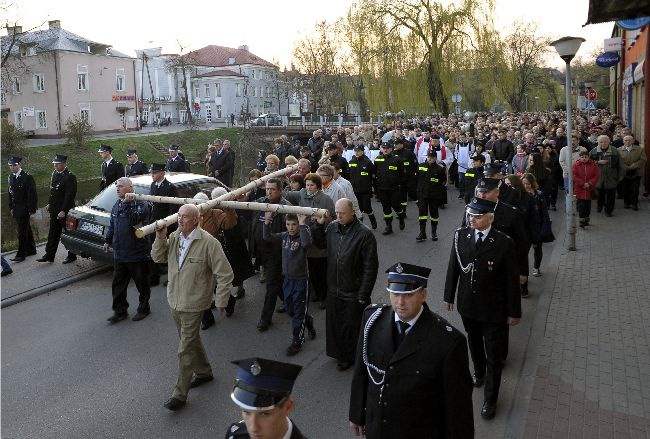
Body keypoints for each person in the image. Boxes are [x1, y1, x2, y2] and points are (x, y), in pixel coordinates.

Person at [349, 262, 474, 439]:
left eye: (408, 295)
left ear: (423, 294)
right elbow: (362, 370)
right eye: (395, 293)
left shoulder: (448, 342)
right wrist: (356, 414)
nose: (400, 302)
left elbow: (458, 410)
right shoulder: (372, 320)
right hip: (377, 429)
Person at [151, 204, 234, 411]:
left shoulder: (209, 243)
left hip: (195, 303)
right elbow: (158, 258)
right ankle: (205, 372)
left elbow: (225, 274)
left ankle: (179, 394)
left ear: (196, 220)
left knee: (185, 349)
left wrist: (222, 301)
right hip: (175, 300)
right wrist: (160, 238)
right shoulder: (175, 237)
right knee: (191, 340)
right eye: (179, 216)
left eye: (185, 217)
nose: (180, 220)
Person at [444, 197, 521, 420]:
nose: (472, 220)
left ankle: (490, 399)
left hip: (494, 310)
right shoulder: (461, 236)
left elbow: (511, 281)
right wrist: (449, 295)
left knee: (494, 356)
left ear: (490, 218)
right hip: (468, 305)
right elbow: (453, 267)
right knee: (473, 342)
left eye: (477, 216)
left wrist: (514, 311)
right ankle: (478, 371)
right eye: (470, 215)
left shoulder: (504, 243)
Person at [317, 198, 378, 371]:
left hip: (353, 290)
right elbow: (321, 244)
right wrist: (319, 226)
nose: (339, 216)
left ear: (352, 212)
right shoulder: (332, 228)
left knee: (351, 327)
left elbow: (370, 267)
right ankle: (338, 352)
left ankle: (350, 356)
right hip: (334, 287)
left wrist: (363, 293)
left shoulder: (365, 234)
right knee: (335, 324)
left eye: (342, 213)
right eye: (337, 213)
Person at [263, 213, 317, 355]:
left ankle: (297, 341)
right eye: (288, 224)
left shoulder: (303, 236)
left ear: (298, 225)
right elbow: (267, 237)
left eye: (294, 224)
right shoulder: (284, 236)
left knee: (298, 313)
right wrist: (267, 221)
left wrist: (303, 223)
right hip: (287, 279)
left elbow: (306, 244)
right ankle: (308, 320)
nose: (291, 228)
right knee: (290, 308)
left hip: (301, 281)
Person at [104, 178, 152, 323]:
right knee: (118, 285)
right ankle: (120, 311)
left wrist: (126, 204)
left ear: (130, 187)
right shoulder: (117, 205)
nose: (117, 189)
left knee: (141, 283)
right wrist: (107, 240)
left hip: (136, 253)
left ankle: (144, 308)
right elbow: (112, 224)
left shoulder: (141, 204)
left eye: (120, 186)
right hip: (120, 253)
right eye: (116, 187)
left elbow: (133, 220)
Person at [284, 173, 334, 311]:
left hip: (320, 240)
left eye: (311, 185)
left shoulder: (326, 200)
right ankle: (318, 293)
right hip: (306, 237)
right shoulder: (301, 195)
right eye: (306, 185)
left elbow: (332, 218)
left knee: (320, 271)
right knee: (311, 270)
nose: (308, 187)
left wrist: (321, 222)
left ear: (318, 186)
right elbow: (286, 196)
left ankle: (324, 296)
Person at [225, 357, 306, 439]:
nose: (253, 428)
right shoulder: (235, 436)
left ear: (287, 407)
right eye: (246, 411)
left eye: (264, 414)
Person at [251, 178, 291, 332]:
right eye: (267, 189)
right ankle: (289, 303)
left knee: (271, 284)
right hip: (261, 251)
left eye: (272, 189)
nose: (269, 192)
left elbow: (290, 231)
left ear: (280, 190)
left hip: (276, 252)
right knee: (277, 282)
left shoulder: (286, 207)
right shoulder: (260, 202)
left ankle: (265, 318)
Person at [37, 155, 78, 264]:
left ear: (64, 163)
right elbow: (53, 192)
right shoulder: (54, 173)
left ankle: (72, 255)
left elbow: (69, 196)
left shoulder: (70, 176)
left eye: (57, 163)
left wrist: (63, 211)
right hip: (54, 210)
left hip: (65, 211)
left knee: (68, 233)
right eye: (54, 163)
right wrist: (49, 203)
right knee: (53, 233)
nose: (55, 165)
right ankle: (49, 255)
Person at [148, 163, 179, 286]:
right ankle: (154, 276)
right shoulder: (153, 185)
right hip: (154, 223)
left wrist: (169, 224)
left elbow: (173, 208)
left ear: (162, 173)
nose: (152, 175)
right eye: (152, 172)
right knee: (154, 250)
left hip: (166, 225)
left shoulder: (170, 187)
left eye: (154, 173)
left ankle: (172, 277)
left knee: (170, 252)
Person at [7, 156, 37, 262]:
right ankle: (31, 249)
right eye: (10, 165)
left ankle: (21, 254)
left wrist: (31, 209)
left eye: (14, 165)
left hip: (24, 208)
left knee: (21, 232)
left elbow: (32, 194)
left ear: (19, 165)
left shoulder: (27, 177)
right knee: (26, 229)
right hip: (16, 208)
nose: (12, 167)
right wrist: (11, 207)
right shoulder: (11, 177)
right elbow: (10, 194)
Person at [522, 173, 553, 276]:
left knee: (537, 249)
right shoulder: (520, 195)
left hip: (536, 228)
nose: (526, 186)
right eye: (524, 183)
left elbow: (544, 213)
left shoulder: (539, 195)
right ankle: (523, 271)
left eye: (528, 184)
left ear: (532, 183)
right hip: (525, 229)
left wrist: (545, 228)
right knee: (523, 251)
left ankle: (536, 267)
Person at [589, 135, 625, 217]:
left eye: (605, 141)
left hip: (612, 178)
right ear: (598, 142)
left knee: (611, 196)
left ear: (609, 142)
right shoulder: (593, 151)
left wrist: (619, 177)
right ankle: (599, 205)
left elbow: (621, 165)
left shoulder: (615, 151)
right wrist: (598, 162)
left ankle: (608, 211)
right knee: (599, 195)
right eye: (601, 142)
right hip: (598, 179)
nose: (603, 143)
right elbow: (587, 163)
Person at [416, 150, 447, 242]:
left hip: (434, 195)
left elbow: (443, 181)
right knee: (422, 215)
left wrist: (439, 194)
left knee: (434, 215)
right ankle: (422, 233)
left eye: (432, 157)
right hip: (422, 194)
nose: (430, 158)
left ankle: (434, 233)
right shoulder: (420, 166)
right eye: (429, 157)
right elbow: (416, 178)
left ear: (435, 158)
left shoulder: (440, 169)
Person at [374, 142, 405, 235]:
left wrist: (399, 185)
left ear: (391, 149)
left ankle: (401, 218)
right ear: (381, 149)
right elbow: (375, 173)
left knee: (396, 206)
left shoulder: (397, 160)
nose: (385, 150)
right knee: (386, 208)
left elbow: (402, 174)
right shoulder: (378, 159)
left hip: (394, 188)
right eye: (383, 148)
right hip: (382, 188)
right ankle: (388, 226)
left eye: (387, 148)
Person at [348, 144, 377, 229]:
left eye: (359, 151)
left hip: (365, 189)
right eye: (355, 151)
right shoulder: (351, 162)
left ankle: (373, 220)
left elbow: (373, 175)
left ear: (362, 151)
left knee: (367, 207)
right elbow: (349, 174)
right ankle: (359, 225)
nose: (357, 153)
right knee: (358, 208)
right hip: (355, 189)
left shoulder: (367, 162)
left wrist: (374, 188)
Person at [572, 148, 601, 228]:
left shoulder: (593, 164)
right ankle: (581, 220)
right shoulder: (576, 165)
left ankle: (586, 218)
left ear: (588, 157)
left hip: (589, 188)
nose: (584, 158)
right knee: (581, 205)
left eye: (585, 157)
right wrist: (582, 183)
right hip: (579, 188)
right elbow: (574, 175)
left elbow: (597, 175)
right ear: (580, 157)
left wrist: (590, 183)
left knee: (588, 205)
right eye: (582, 157)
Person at [618, 135, 646, 210]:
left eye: (629, 140)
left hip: (636, 172)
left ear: (633, 141)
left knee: (635, 189)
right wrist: (625, 167)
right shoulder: (618, 150)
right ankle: (626, 203)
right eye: (626, 140)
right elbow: (618, 161)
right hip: (624, 173)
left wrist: (634, 166)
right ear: (623, 141)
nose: (628, 142)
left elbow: (643, 160)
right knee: (625, 189)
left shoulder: (639, 149)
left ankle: (634, 204)